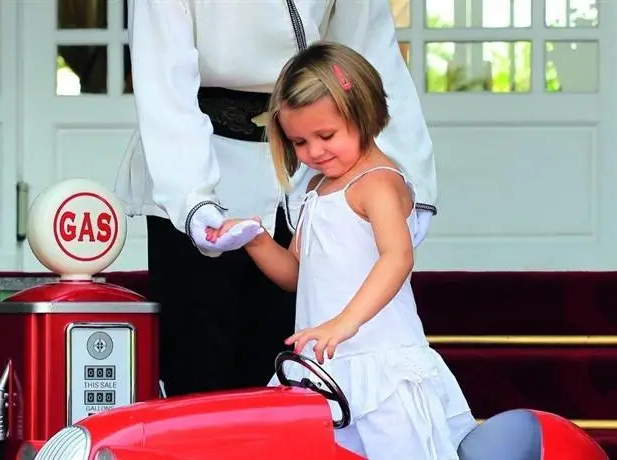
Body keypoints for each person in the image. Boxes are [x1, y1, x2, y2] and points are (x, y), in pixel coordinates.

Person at [115, 0, 438, 397]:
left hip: (307, 167)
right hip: (194, 159)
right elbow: (162, 74)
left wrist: (410, 172)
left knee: (285, 376)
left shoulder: (330, 166)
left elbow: (371, 49)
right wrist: (191, 196)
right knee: (199, 373)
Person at [208, 42, 475, 460]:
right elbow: (297, 274)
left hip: (379, 368)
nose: (314, 152)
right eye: (299, 142)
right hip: (328, 369)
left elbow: (398, 257)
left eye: (326, 136)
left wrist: (344, 323)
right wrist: (256, 240)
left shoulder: (379, 183)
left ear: (364, 114)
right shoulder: (315, 189)